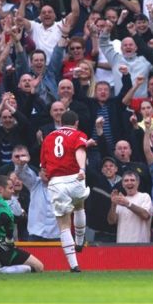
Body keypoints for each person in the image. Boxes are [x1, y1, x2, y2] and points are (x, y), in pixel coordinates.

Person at [40, 111, 90, 272]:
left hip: (57, 181)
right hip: (75, 177)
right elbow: (80, 151)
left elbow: (43, 165)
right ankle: (80, 241)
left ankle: (74, 265)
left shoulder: (48, 137)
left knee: (63, 224)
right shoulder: (78, 134)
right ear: (76, 123)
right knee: (80, 206)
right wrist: (82, 168)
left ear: (61, 122)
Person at [0, 175, 44, 274]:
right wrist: (9, 237)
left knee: (13, 264)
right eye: (10, 188)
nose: (13, 191)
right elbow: (4, 217)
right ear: (1, 189)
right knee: (39, 267)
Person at [107, 170, 153, 243]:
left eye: (132, 180)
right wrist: (113, 204)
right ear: (122, 184)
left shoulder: (145, 196)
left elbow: (146, 215)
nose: (129, 183)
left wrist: (128, 204)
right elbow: (111, 221)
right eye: (126, 180)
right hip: (122, 245)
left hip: (141, 245)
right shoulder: (121, 200)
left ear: (138, 183)